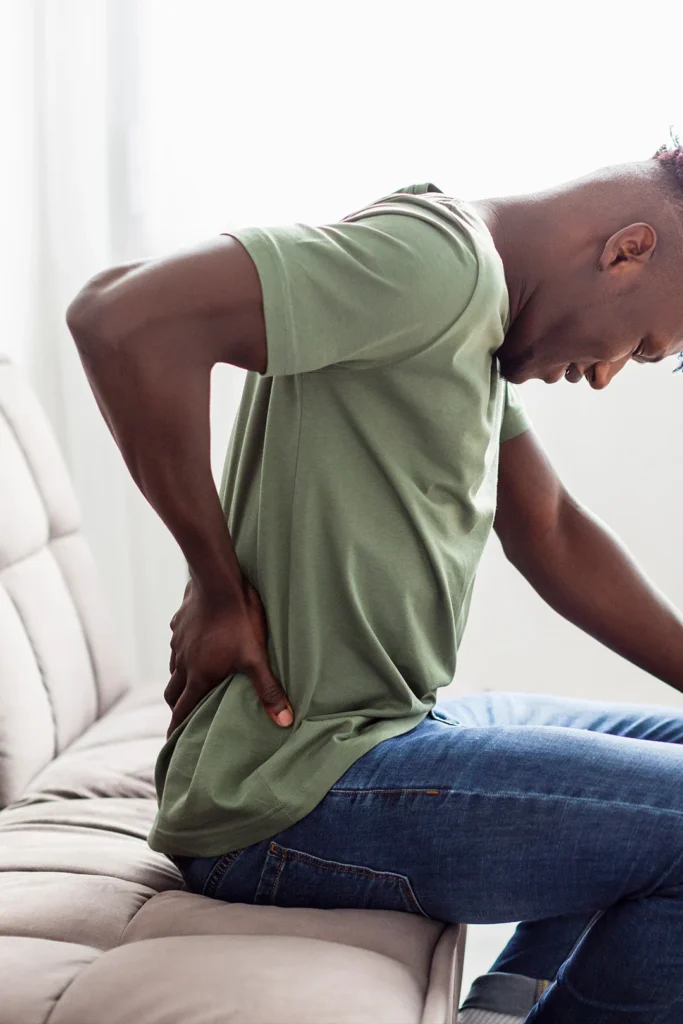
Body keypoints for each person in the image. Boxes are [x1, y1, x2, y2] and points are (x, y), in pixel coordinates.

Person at [66, 140, 683, 1024]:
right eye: (641, 344)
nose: (602, 372)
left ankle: (504, 1008)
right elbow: (118, 315)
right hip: (293, 789)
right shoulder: (437, 266)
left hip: (387, 731)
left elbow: (550, 533)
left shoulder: (481, 308)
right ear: (627, 250)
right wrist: (214, 580)